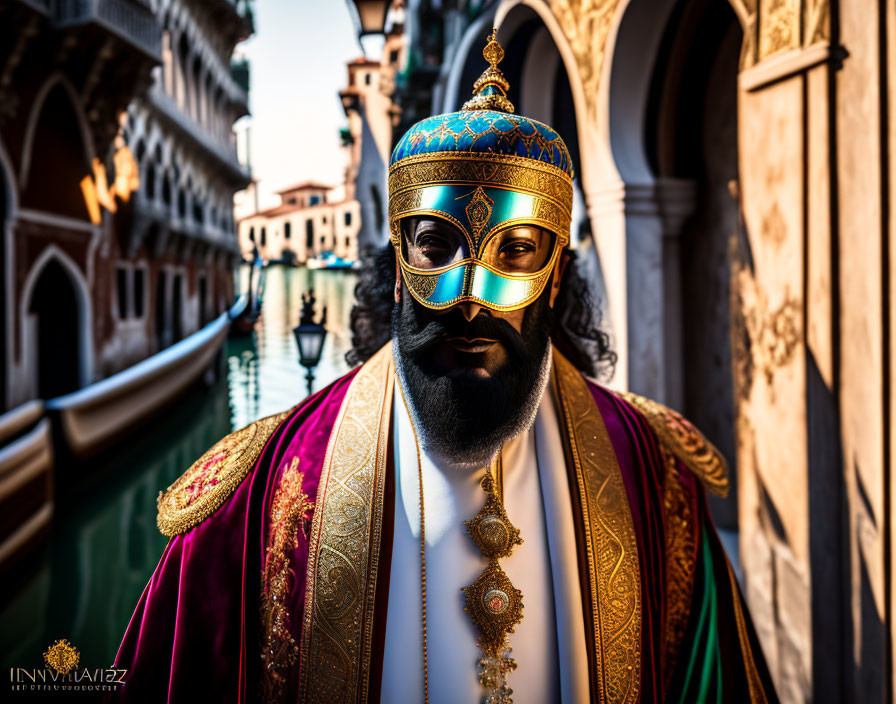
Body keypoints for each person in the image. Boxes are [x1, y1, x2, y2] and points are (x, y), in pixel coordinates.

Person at [113, 30, 777, 704]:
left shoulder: (657, 481)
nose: (469, 300)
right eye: (436, 246)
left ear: (556, 280)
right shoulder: (252, 504)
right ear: (397, 270)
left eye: (516, 251)